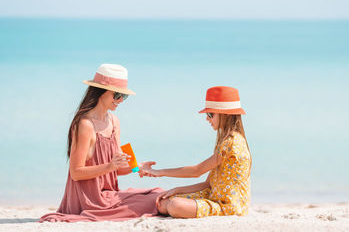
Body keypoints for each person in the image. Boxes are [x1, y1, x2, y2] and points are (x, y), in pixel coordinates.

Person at [40, 64, 163, 222]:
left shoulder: (114, 121)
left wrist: (137, 166)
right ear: (100, 92)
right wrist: (110, 166)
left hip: (109, 195)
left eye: (124, 97)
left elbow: (117, 168)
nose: (120, 100)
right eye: (117, 95)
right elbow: (76, 172)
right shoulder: (85, 124)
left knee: (158, 193)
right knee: (155, 201)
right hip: (90, 200)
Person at [143, 86, 251, 218]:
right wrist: (178, 190)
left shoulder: (232, 142)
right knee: (164, 202)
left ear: (225, 114)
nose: (207, 119)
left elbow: (197, 171)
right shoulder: (226, 140)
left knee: (174, 205)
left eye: (210, 114)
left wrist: (160, 172)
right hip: (214, 196)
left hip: (228, 206)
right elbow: (207, 184)